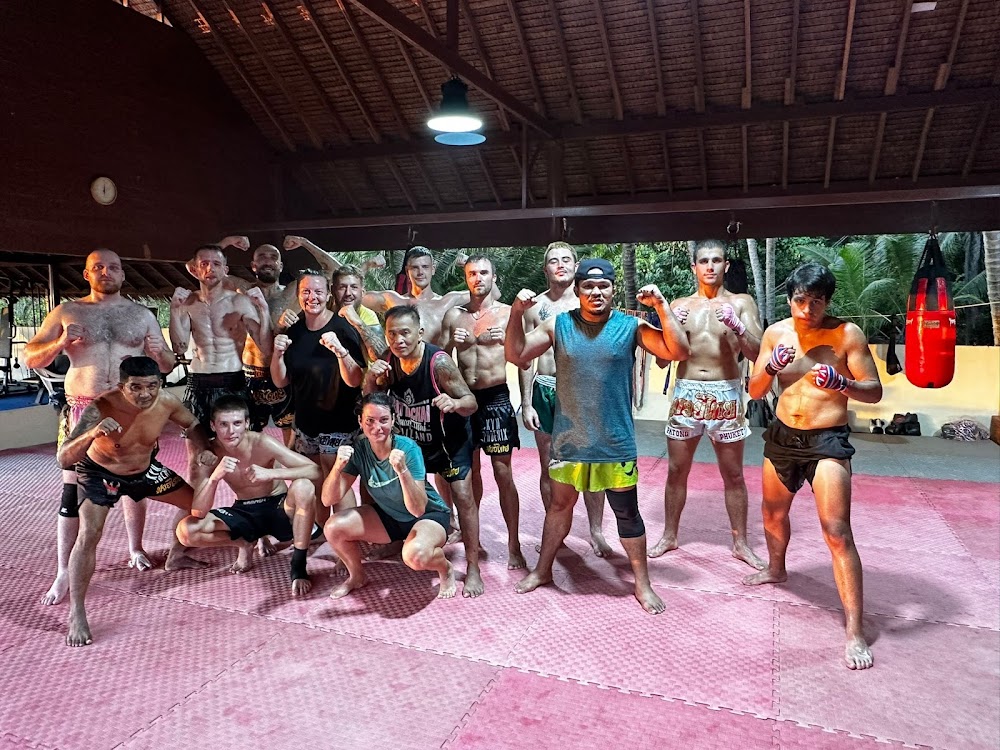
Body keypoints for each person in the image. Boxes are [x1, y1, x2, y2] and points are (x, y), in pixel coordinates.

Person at [505, 259, 689, 613]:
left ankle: (642, 583)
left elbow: (677, 351)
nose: (596, 292)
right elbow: (516, 354)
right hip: (569, 439)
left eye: (603, 285)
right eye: (588, 287)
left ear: (612, 289)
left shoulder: (630, 326)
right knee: (559, 508)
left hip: (615, 440)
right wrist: (516, 313)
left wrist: (662, 306)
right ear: (577, 291)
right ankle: (543, 570)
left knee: (627, 513)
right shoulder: (559, 325)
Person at [743, 262, 883, 670]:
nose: (807, 310)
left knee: (836, 531)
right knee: (771, 515)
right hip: (783, 436)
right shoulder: (775, 333)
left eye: (816, 303)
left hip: (827, 440)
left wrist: (845, 384)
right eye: (800, 301)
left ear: (828, 301)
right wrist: (770, 367)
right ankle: (776, 569)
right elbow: (754, 391)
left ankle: (855, 630)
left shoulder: (846, 334)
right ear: (790, 299)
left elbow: (874, 392)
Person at [24, 249, 176, 606]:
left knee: (135, 483)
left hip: (132, 412)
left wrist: (158, 354)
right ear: (86, 274)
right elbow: (28, 357)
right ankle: (64, 569)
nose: (106, 272)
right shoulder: (67, 311)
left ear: (123, 274)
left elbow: (167, 364)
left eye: (113, 267)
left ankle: (135, 548)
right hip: (84, 410)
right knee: (73, 491)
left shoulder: (140, 315)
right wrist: (61, 343)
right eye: (98, 267)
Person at [56, 357, 209, 646]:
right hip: (101, 473)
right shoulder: (101, 406)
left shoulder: (167, 402)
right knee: (89, 534)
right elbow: (64, 458)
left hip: (145, 470)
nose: (144, 394)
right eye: (135, 387)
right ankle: (77, 611)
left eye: (152, 386)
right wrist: (92, 433)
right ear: (121, 386)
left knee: (198, 504)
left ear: (160, 384)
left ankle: (176, 555)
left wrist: (205, 449)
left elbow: (194, 424)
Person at [648, 239, 766, 568]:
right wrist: (668, 323)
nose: (710, 266)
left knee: (734, 475)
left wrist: (739, 327)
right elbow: (661, 361)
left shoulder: (742, 303)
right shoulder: (679, 304)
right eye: (704, 261)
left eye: (716, 260)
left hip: (725, 393)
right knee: (675, 470)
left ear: (726, 265)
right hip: (686, 393)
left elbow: (757, 354)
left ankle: (741, 542)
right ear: (694, 267)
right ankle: (670, 535)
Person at [363, 305, 484, 597]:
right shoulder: (387, 359)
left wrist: (454, 404)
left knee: (464, 497)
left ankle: (473, 567)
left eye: (405, 333)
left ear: (419, 333)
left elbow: (471, 402)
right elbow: (370, 401)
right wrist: (370, 377)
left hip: (448, 442)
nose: (398, 339)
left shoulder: (438, 363)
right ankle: (396, 537)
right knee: (392, 488)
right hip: (415, 442)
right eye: (392, 333)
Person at [517, 242, 612, 557]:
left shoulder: (591, 301)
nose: (560, 265)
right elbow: (526, 359)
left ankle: (596, 531)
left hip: (584, 392)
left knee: (591, 466)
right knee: (550, 467)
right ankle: (554, 528)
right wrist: (527, 403)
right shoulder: (534, 307)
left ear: (575, 265)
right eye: (553, 261)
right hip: (545, 389)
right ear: (546, 269)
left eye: (566, 259)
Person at [175, 395, 321, 595]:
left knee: (304, 486)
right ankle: (244, 543)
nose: (231, 431)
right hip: (245, 509)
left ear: (247, 423)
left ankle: (298, 565)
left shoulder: (262, 442)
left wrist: (272, 473)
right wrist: (214, 478)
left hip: (278, 507)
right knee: (186, 530)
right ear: (213, 425)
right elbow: (198, 511)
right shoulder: (210, 453)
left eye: (237, 423)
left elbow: (314, 471)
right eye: (223, 424)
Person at [321, 392, 455, 599]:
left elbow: (418, 509)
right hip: (390, 516)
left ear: (393, 420)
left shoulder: (408, 448)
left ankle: (445, 569)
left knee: (414, 556)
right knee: (333, 527)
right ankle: (357, 576)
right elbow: (328, 499)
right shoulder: (359, 450)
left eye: (384, 420)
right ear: (360, 421)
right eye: (370, 421)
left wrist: (402, 470)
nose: (377, 428)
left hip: (428, 516)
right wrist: (337, 467)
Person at [440, 255, 525, 569]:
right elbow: (439, 357)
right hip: (463, 399)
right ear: (466, 278)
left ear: (494, 276)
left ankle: (514, 544)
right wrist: (451, 340)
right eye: (472, 273)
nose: (478, 278)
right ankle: (469, 536)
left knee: (504, 474)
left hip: (496, 398)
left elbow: (524, 360)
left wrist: (507, 343)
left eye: (484, 272)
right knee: (468, 473)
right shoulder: (454, 316)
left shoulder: (507, 315)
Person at [270, 270, 365, 522]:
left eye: (318, 291)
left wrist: (340, 352)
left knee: (336, 481)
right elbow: (281, 380)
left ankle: (345, 541)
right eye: (306, 292)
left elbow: (356, 380)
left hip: (339, 421)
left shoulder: (343, 329)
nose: (312, 297)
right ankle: (325, 533)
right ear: (299, 295)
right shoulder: (294, 331)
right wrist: (277, 354)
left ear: (328, 294)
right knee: (315, 480)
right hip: (306, 423)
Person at [169, 245, 271, 465]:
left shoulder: (239, 301)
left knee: (245, 456)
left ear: (225, 269)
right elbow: (179, 347)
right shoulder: (188, 302)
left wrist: (263, 310)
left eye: (216, 264)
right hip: (198, 382)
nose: (210, 269)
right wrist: (174, 311)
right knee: (198, 458)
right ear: (195, 270)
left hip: (232, 381)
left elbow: (266, 347)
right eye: (204, 264)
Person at [362, 246, 495, 346]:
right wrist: (366, 265)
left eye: (425, 267)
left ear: (433, 269)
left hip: (436, 372)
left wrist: (469, 264)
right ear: (408, 272)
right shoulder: (393, 300)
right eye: (415, 268)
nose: (420, 272)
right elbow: (352, 298)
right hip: (402, 372)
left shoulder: (448, 301)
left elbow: (493, 293)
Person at [331, 264, 388, 363]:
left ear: (363, 292)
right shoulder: (326, 312)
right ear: (332, 290)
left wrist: (359, 323)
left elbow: (382, 357)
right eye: (342, 287)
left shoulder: (367, 315)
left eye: (354, 287)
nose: (348, 293)